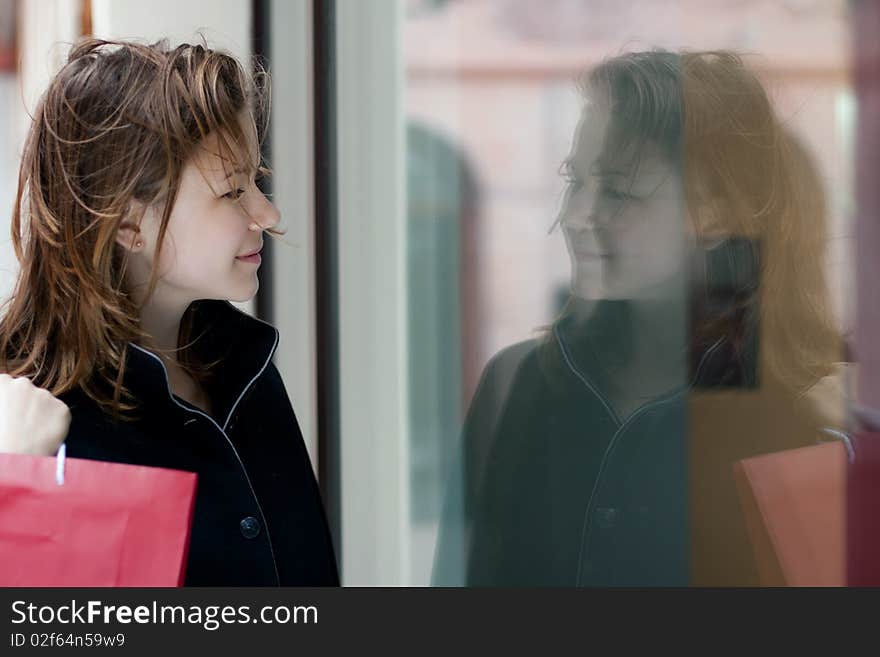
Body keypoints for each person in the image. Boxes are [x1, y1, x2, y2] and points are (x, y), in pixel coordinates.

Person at [433, 50, 843, 586]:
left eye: (618, 191)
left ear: (719, 212)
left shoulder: (811, 417)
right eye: (574, 181)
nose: (574, 217)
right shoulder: (515, 385)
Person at [0, 38, 338, 586]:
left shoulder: (247, 374)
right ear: (129, 224)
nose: (267, 213)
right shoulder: (27, 422)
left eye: (258, 180)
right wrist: (14, 484)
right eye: (232, 191)